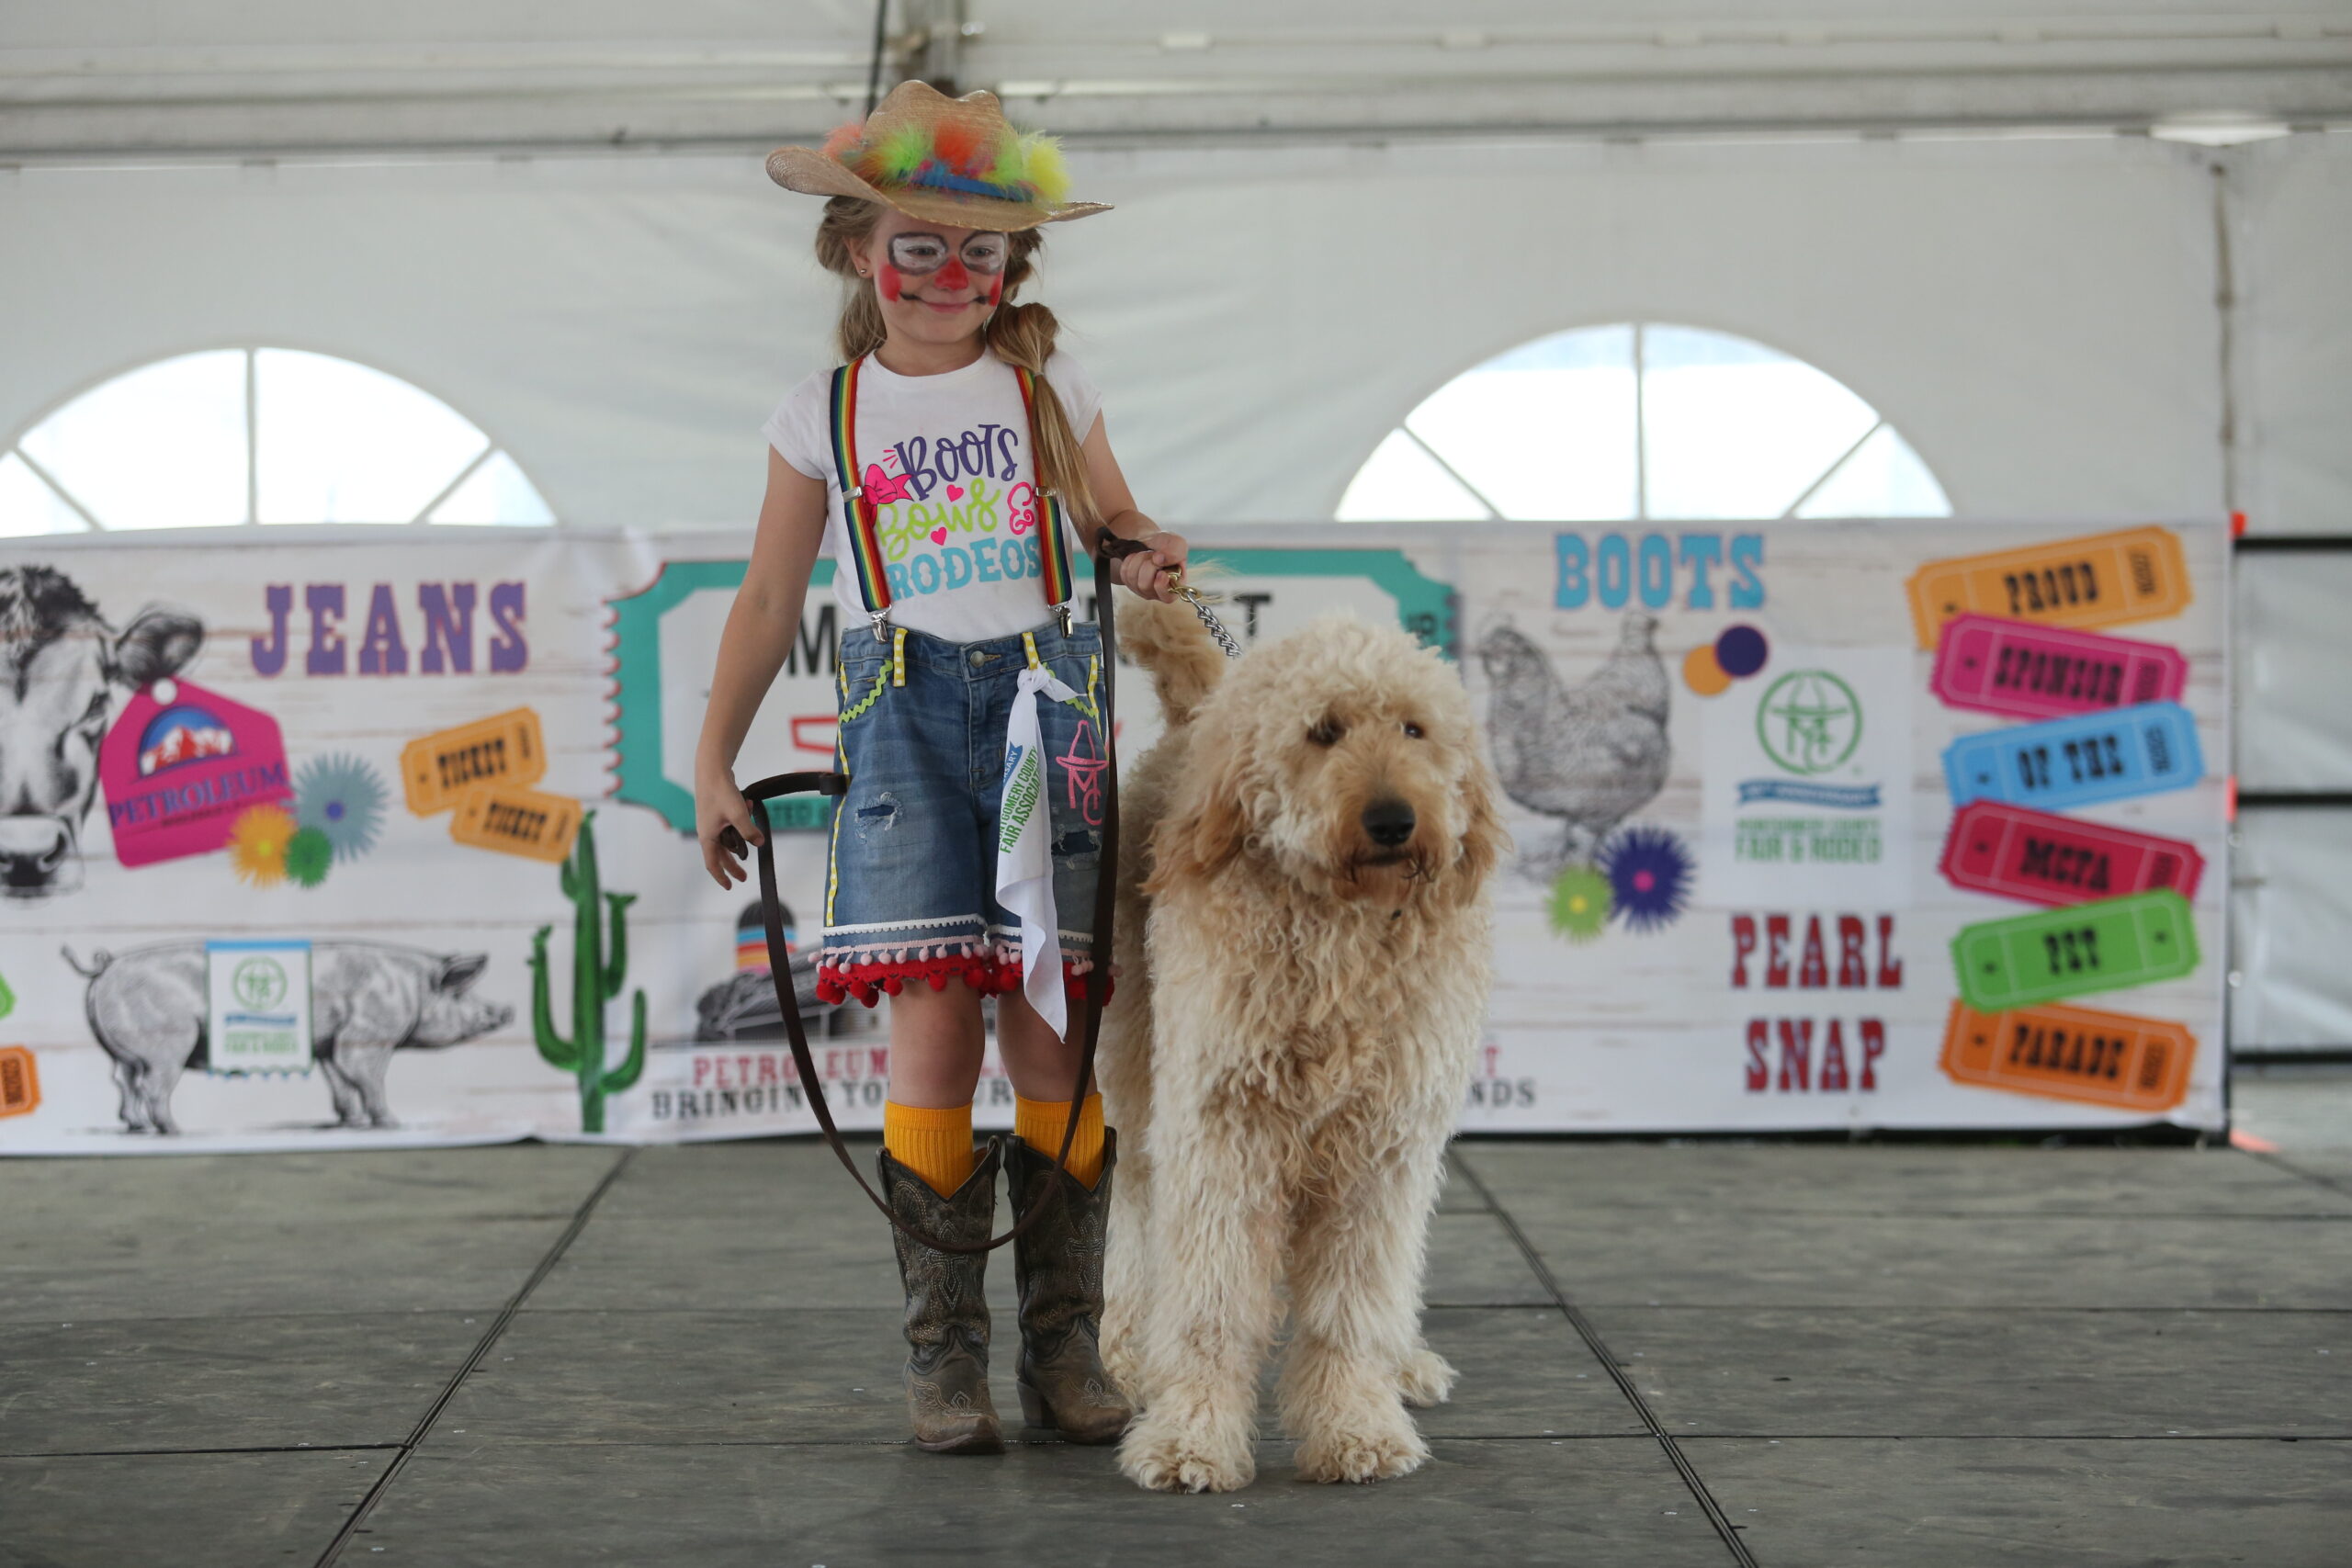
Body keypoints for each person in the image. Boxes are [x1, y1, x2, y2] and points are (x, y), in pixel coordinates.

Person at [693, 81, 1186, 1456]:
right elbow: (764, 598)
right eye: (918, 246)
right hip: (904, 720)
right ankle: (944, 1366)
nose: (948, 275)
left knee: (1052, 1033)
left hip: (1049, 713)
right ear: (862, 252)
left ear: (1011, 270)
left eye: (980, 252)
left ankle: (1066, 1353)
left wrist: (1141, 544)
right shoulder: (823, 411)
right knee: (930, 1030)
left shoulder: (1047, 386)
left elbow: (1114, 511)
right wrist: (712, 763)